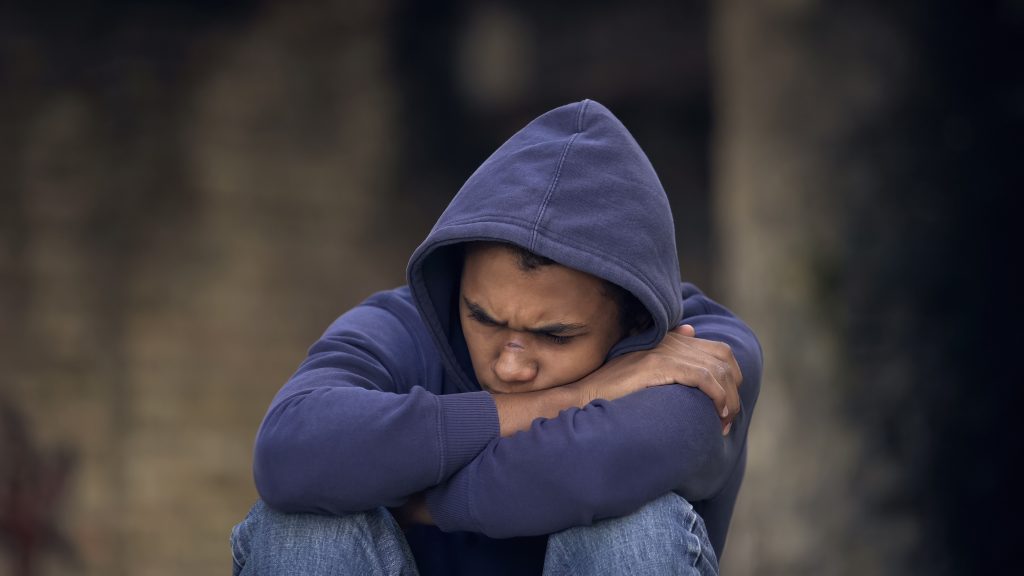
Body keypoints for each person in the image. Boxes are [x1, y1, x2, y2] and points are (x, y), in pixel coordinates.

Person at [230, 99, 762, 576]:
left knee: (634, 528)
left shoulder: (699, 353)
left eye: (555, 336)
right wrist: (577, 397)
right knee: (302, 526)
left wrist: (416, 499)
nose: (510, 366)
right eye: (483, 318)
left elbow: (610, 461)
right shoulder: (402, 323)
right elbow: (289, 450)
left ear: (634, 322)